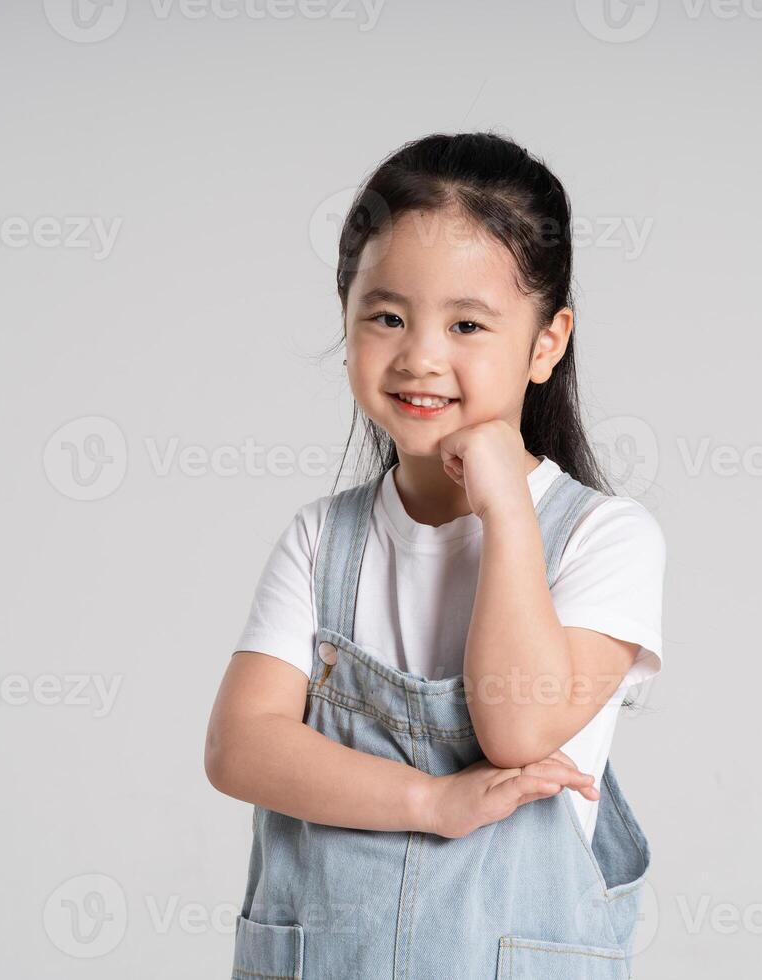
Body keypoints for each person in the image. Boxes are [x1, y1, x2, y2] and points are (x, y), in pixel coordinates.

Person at [205, 131, 666, 978]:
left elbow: (518, 723)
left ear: (546, 342)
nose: (420, 355)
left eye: (466, 323)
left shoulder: (605, 540)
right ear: (345, 322)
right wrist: (433, 801)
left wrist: (506, 511)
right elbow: (241, 745)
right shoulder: (322, 542)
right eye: (387, 316)